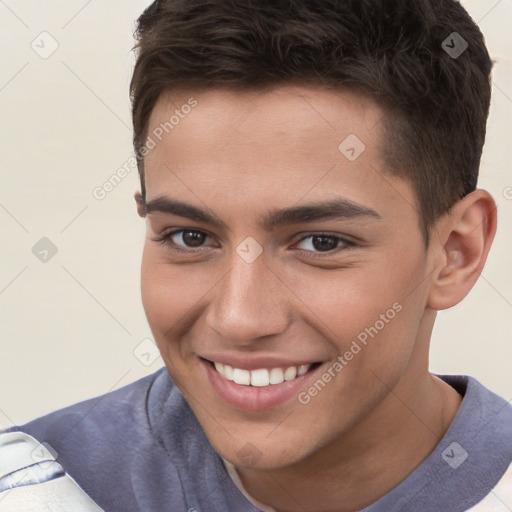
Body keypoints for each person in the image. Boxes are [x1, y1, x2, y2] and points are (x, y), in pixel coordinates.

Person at [1, 0, 511, 510]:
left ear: (456, 252)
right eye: (190, 237)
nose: (239, 320)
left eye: (321, 243)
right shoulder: (36, 492)